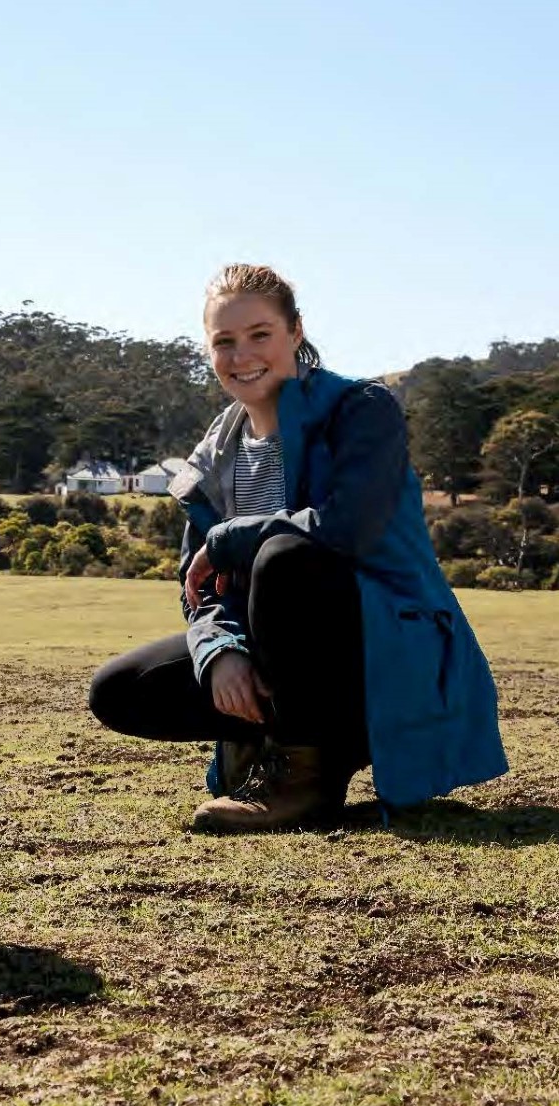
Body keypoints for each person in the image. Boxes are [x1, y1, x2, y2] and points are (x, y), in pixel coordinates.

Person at [88, 264, 507, 833]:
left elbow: (346, 529)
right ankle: (269, 734)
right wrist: (220, 651)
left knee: (284, 559)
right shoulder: (215, 454)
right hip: (277, 652)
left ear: (295, 333)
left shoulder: (361, 410)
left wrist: (227, 537)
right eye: (224, 342)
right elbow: (200, 585)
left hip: (384, 642)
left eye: (260, 335)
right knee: (119, 691)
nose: (242, 355)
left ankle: (307, 777)